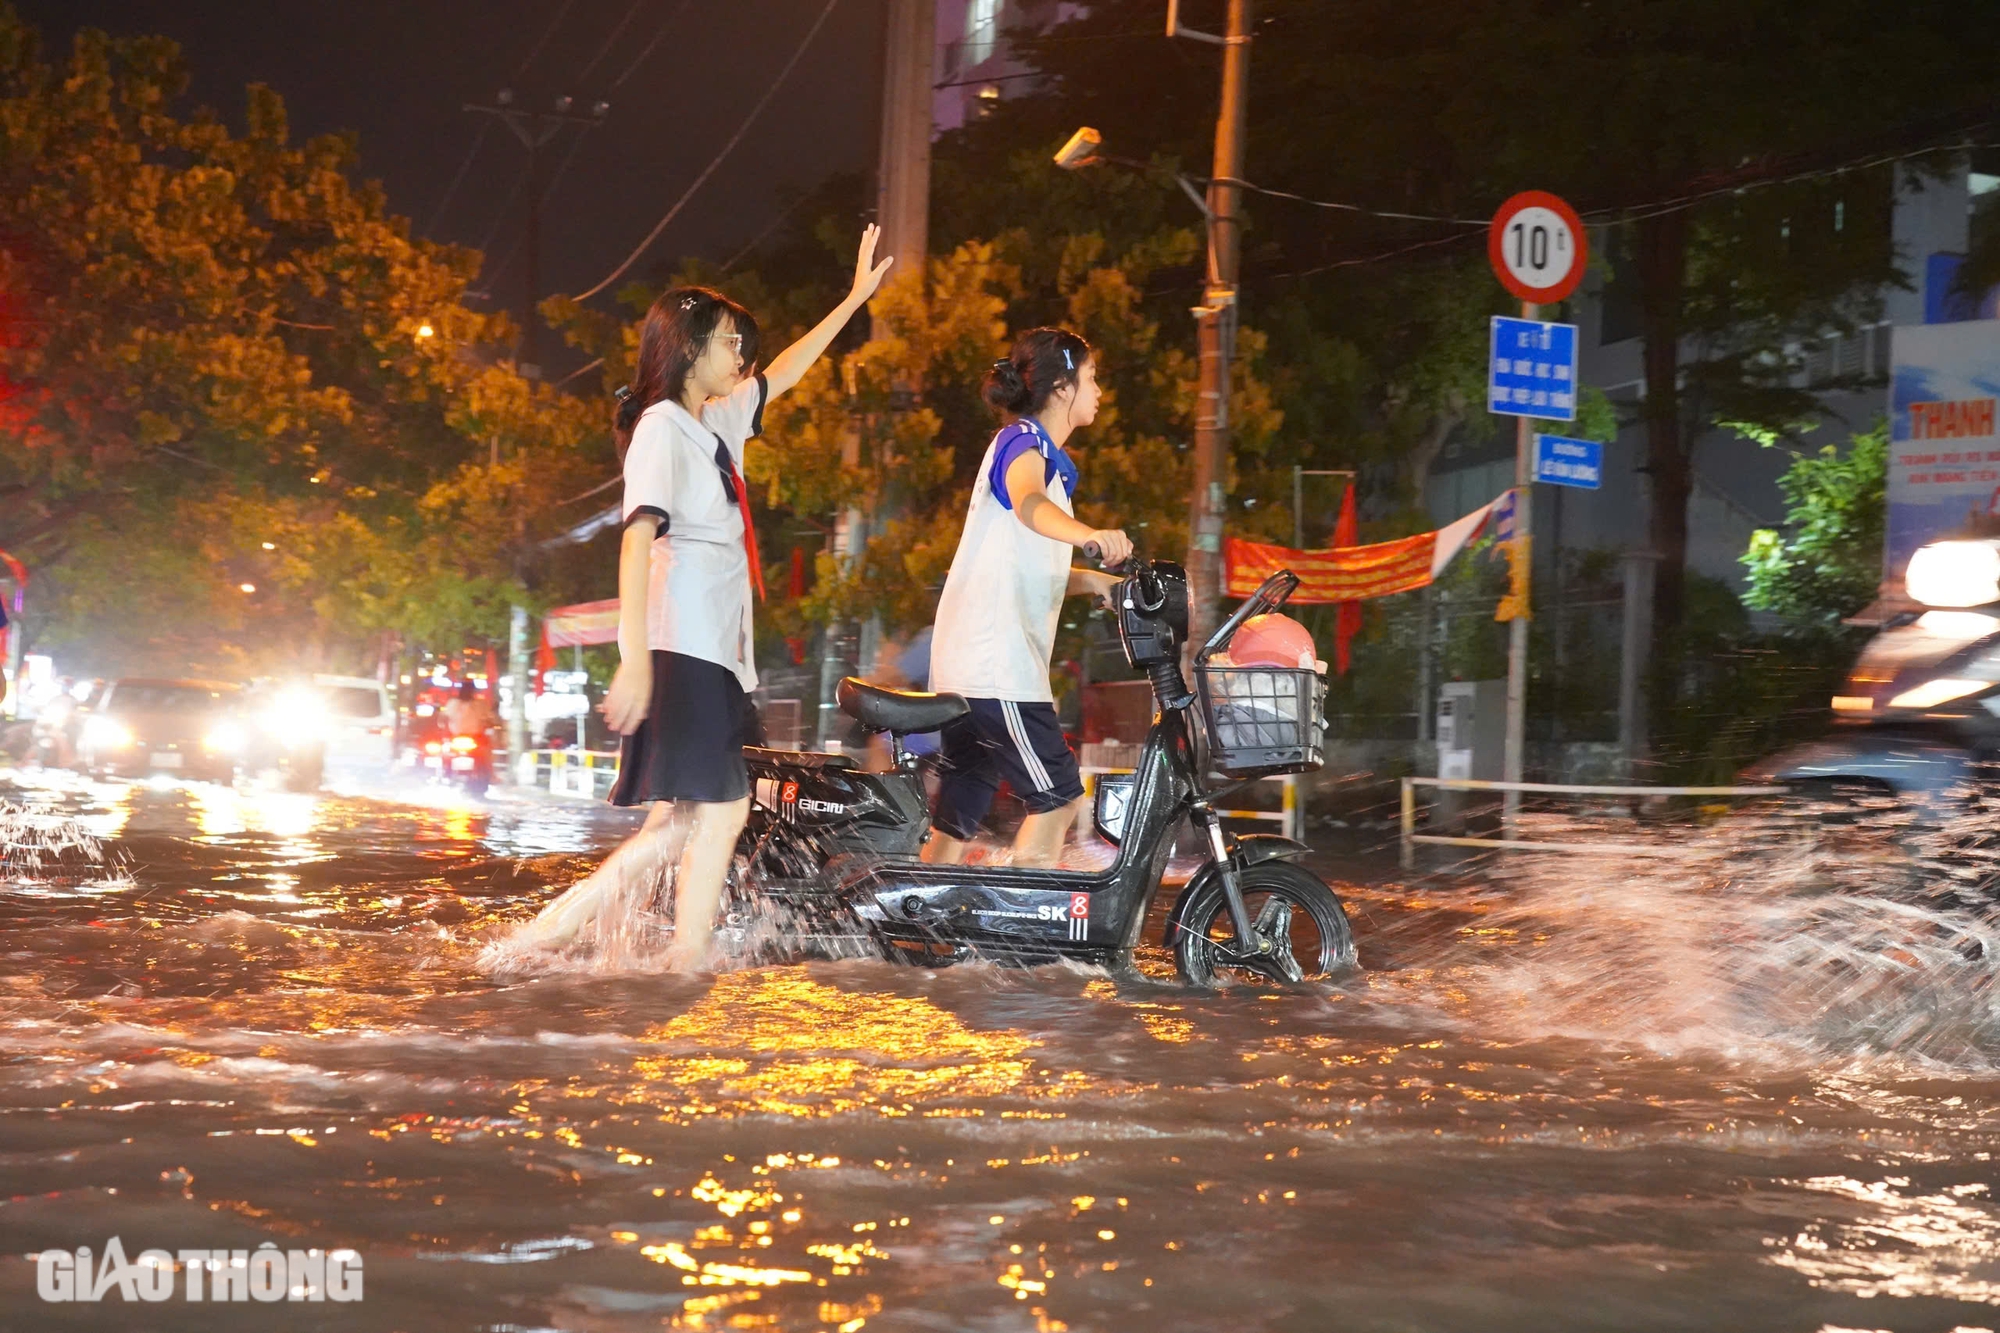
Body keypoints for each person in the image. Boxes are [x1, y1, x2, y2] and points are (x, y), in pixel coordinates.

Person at [518, 225, 894, 967]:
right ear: (688, 350)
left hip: (715, 650)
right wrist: (633, 661)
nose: (741, 357)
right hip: (683, 644)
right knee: (713, 811)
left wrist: (853, 301)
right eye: (728, 343)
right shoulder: (662, 428)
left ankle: (656, 955)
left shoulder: (713, 422)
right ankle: (586, 943)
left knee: (684, 818)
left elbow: (784, 372)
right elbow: (636, 539)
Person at [923, 328, 1132, 868]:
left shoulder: (1041, 455)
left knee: (961, 808)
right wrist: (1090, 534)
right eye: (1092, 378)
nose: (1100, 391)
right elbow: (1028, 502)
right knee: (1060, 797)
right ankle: (1019, 932)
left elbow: (1029, 567)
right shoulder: (1023, 443)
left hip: (971, 665)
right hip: (999, 669)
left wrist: (1098, 582)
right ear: (1062, 388)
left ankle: (912, 923)